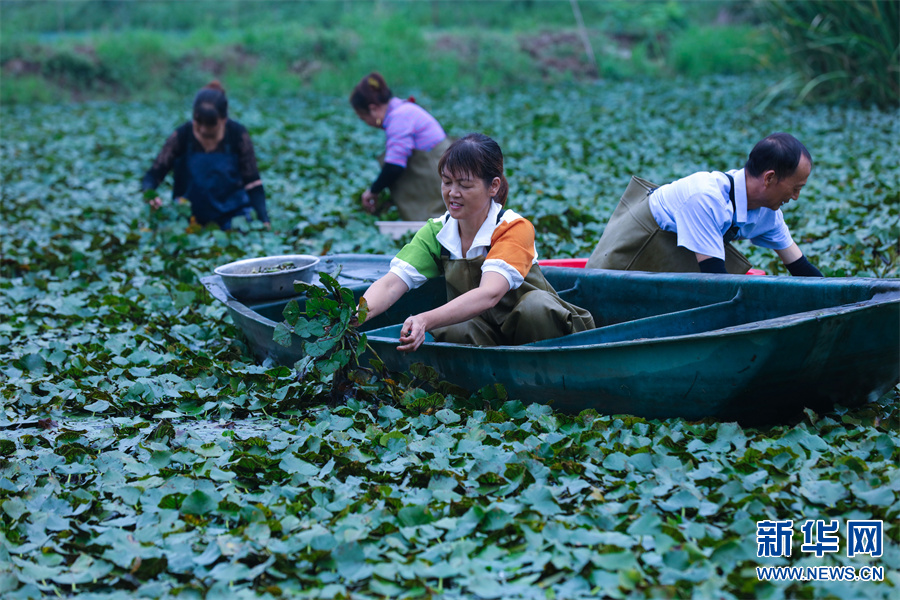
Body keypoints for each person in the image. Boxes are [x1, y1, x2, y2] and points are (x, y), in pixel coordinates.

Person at [358, 133, 595, 352]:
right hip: (486, 336)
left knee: (535, 306)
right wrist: (353, 316)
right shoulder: (437, 232)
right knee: (454, 326)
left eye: (464, 185)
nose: (453, 193)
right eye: (447, 182)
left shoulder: (513, 227)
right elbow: (391, 284)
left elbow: (489, 294)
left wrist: (424, 319)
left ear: (493, 186)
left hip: (547, 337)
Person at [585, 132, 823, 276]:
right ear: (770, 178)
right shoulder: (705, 198)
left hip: (661, 272)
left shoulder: (768, 213)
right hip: (624, 262)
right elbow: (716, 284)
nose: (795, 197)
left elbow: (800, 267)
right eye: (796, 188)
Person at [141, 81, 269, 230]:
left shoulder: (237, 134)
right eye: (198, 122)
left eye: (209, 124)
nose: (202, 129)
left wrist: (264, 219)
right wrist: (150, 195)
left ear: (223, 120)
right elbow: (153, 175)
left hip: (233, 218)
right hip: (188, 220)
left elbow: (253, 183)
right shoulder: (182, 135)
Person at [350, 72, 452, 221]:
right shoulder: (402, 109)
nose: (367, 123)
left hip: (437, 174)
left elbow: (394, 166)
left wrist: (372, 191)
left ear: (372, 109)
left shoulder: (399, 117)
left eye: (363, 118)